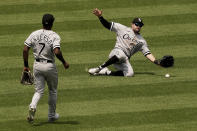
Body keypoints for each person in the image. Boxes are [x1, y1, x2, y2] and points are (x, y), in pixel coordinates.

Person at [23, 14, 69, 122]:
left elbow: (25, 49)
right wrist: (64, 62)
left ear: (42, 22)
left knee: (38, 91)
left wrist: (25, 65)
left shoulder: (34, 34)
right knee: (52, 90)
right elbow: (56, 51)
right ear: (52, 23)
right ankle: (51, 116)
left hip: (37, 66)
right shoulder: (54, 35)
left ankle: (33, 106)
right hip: (49, 66)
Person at [88, 8, 160, 77]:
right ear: (132, 24)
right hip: (116, 52)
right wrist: (100, 16)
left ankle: (106, 72)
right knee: (121, 54)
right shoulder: (122, 28)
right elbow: (107, 25)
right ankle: (98, 68)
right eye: (137, 24)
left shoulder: (142, 41)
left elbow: (147, 53)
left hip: (124, 59)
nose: (138, 26)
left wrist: (157, 62)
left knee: (129, 74)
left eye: (140, 25)